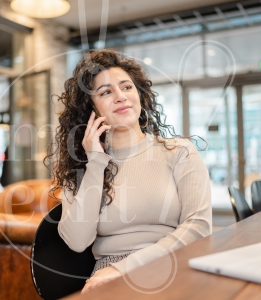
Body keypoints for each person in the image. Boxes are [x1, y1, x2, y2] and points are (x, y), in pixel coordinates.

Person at [44, 49, 211, 293]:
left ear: (140, 97)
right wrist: (95, 163)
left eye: (127, 87)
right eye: (106, 92)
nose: (120, 97)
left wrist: (125, 268)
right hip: (108, 279)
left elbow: (198, 227)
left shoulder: (179, 152)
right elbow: (77, 242)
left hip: (172, 263)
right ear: (92, 109)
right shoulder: (81, 167)